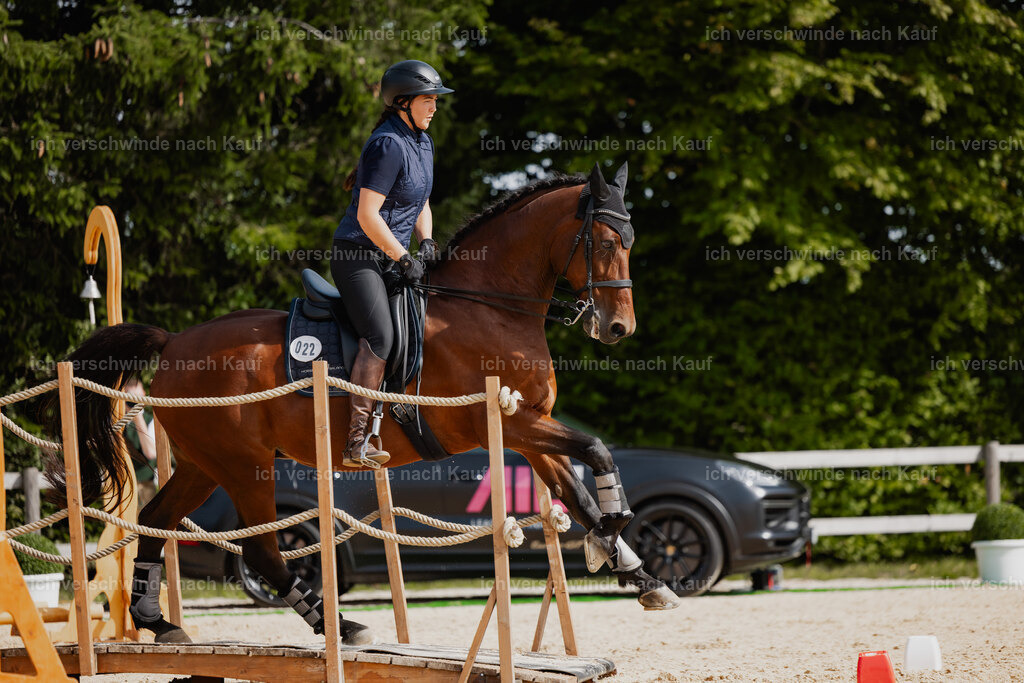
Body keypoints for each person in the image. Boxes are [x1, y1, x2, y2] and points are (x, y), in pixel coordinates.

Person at [332, 60, 453, 467]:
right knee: (381, 336)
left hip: (390, 257)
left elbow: (422, 201)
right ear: (403, 103)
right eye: (428, 100)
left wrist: (427, 241)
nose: (434, 107)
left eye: (436, 100)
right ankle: (356, 442)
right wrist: (403, 256)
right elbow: (368, 215)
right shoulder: (387, 144)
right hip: (358, 256)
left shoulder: (423, 142)